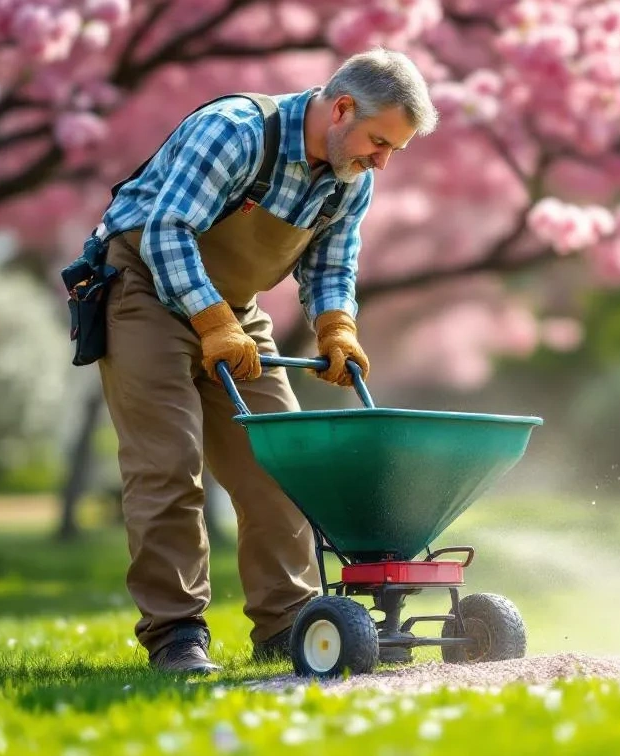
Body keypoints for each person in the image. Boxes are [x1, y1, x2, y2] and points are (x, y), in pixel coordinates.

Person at [83, 49, 438, 673]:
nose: (382, 161)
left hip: (235, 310)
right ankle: (176, 634)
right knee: (167, 466)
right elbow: (167, 230)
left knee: (283, 465)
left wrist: (336, 326)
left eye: (394, 150)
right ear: (342, 108)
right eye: (379, 142)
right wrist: (211, 321)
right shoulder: (236, 132)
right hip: (142, 289)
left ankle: (288, 625)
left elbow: (331, 265)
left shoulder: (351, 176)